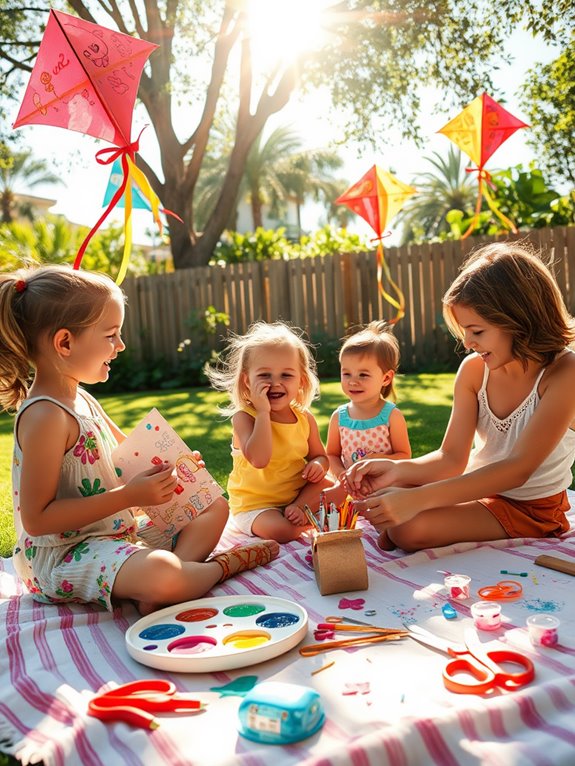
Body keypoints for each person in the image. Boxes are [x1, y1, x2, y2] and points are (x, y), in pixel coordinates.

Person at [0, 265, 279, 615]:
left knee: (212, 504)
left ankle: (161, 584)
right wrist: (130, 497)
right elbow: (38, 520)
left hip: (116, 535)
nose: (120, 345)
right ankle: (209, 570)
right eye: (111, 334)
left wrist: (173, 469)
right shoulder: (46, 416)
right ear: (65, 342)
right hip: (65, 555)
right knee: (162, 572)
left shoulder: (82, 399)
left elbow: (129, 457)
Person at [345, 243, 575, 552]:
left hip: (533, 509)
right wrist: (397, 469)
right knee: (391, 496)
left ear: (519, 321)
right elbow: (451, 457)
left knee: (407, 527)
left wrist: (417, 499)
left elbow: (520, 469)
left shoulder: (564, 372)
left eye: (477, 331)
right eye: (465, 331)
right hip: (478, 492)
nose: (467, 343)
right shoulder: (474, 371)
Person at [207, 321, 343, 543]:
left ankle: (301, 510)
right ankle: (311, 519)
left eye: (286, 375)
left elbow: (321, 456)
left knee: (341, 489)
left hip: (297, 496)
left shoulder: (304, 418)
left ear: (301, 380)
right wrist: (263, 413)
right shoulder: (245, 418)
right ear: (247, 380)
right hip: (257, 505)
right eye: (265, 375)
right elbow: (259, 459)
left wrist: (318, 465)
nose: (275, 383)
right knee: (282, 531)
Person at [326, 321, 411, 483]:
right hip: (351, 487)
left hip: (385, 485)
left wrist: (381, 459)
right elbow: (331, 455)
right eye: (346, 374)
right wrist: (341, 475)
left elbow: (404, 456)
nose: (353, 381)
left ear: (386, 378)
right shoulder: (339, 417)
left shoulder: (391, 416)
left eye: (363, 375)